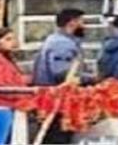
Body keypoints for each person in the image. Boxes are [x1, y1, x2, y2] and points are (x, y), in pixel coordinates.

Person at [31, 8, 92, 144]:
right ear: (72, 22)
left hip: (53, 100)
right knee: (58, 138)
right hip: (58, 101)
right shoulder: (62, 44)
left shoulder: (58, 41)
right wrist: (91, 79)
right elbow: (62, 73)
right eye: (82, 22)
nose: (85, 26)